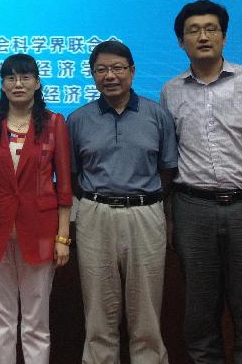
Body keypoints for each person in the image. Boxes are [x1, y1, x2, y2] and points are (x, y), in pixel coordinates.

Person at [160, 0, 242, 364]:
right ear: (181, 41)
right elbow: (167, 161)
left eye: (210, 29)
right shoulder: (171, 91)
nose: (203, 36)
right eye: (193, 31)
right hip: (192, 208)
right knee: (199, 312)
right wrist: (169, 217)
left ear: (224, 36)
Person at [68, 40, 177, 364]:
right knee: (98, 312)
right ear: (92, 74)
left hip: (145, 213)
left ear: (132, 71)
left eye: (117, 68)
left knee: (146, 312)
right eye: (101, 69)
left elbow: (168, 170)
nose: (110, 76)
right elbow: (73, 174)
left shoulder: (157, 115)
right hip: (95, 214)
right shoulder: (78, 119)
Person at [0, 54, 72, 364]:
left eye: (25, 77)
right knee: (0, 319)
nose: (18, 84)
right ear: (2, 84)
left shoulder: (54, 123)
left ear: (37, 83)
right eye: (11, 78)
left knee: (36, 320)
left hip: (40, 231)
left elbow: (64, 186)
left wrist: (62, 237)